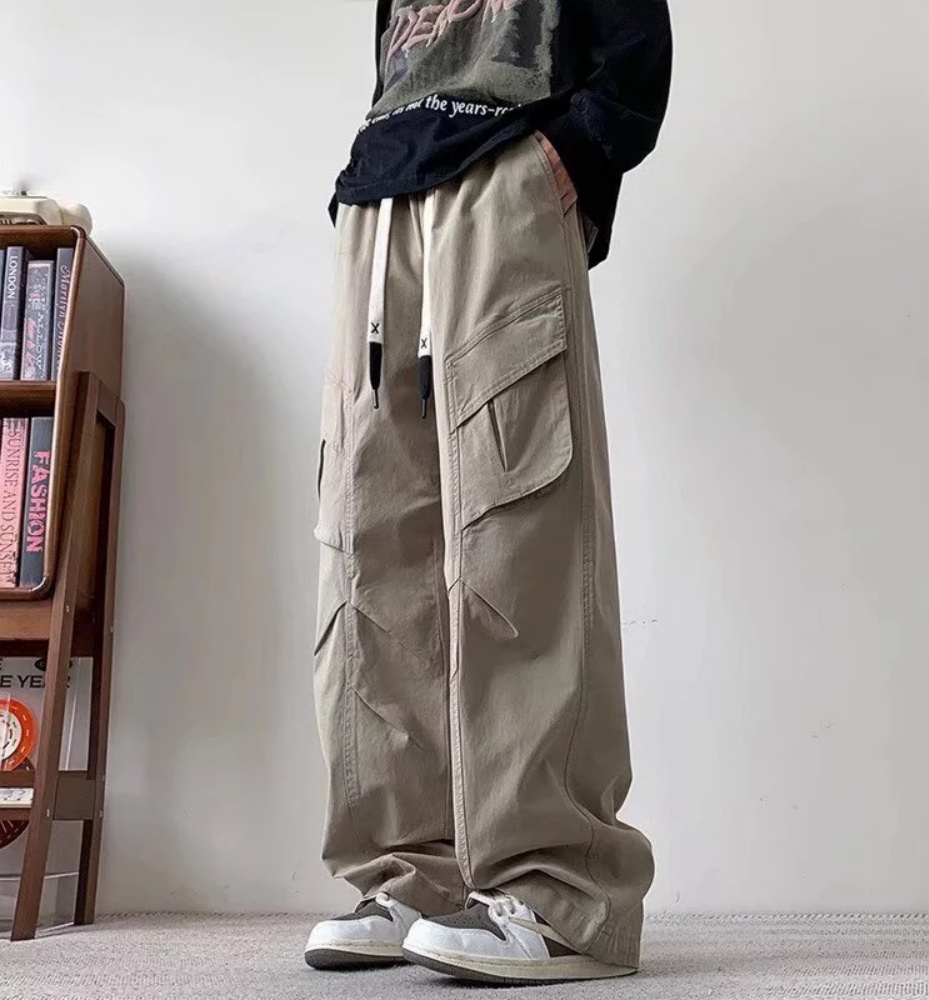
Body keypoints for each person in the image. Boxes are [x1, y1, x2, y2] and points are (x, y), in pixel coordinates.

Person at [307, 0, 673, 985]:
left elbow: (634, 47)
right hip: (382, 196)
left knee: (517, 530)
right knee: (366, 548)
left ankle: (562, 891)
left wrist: (569, 157)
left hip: (505, 175)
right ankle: (411, 873)